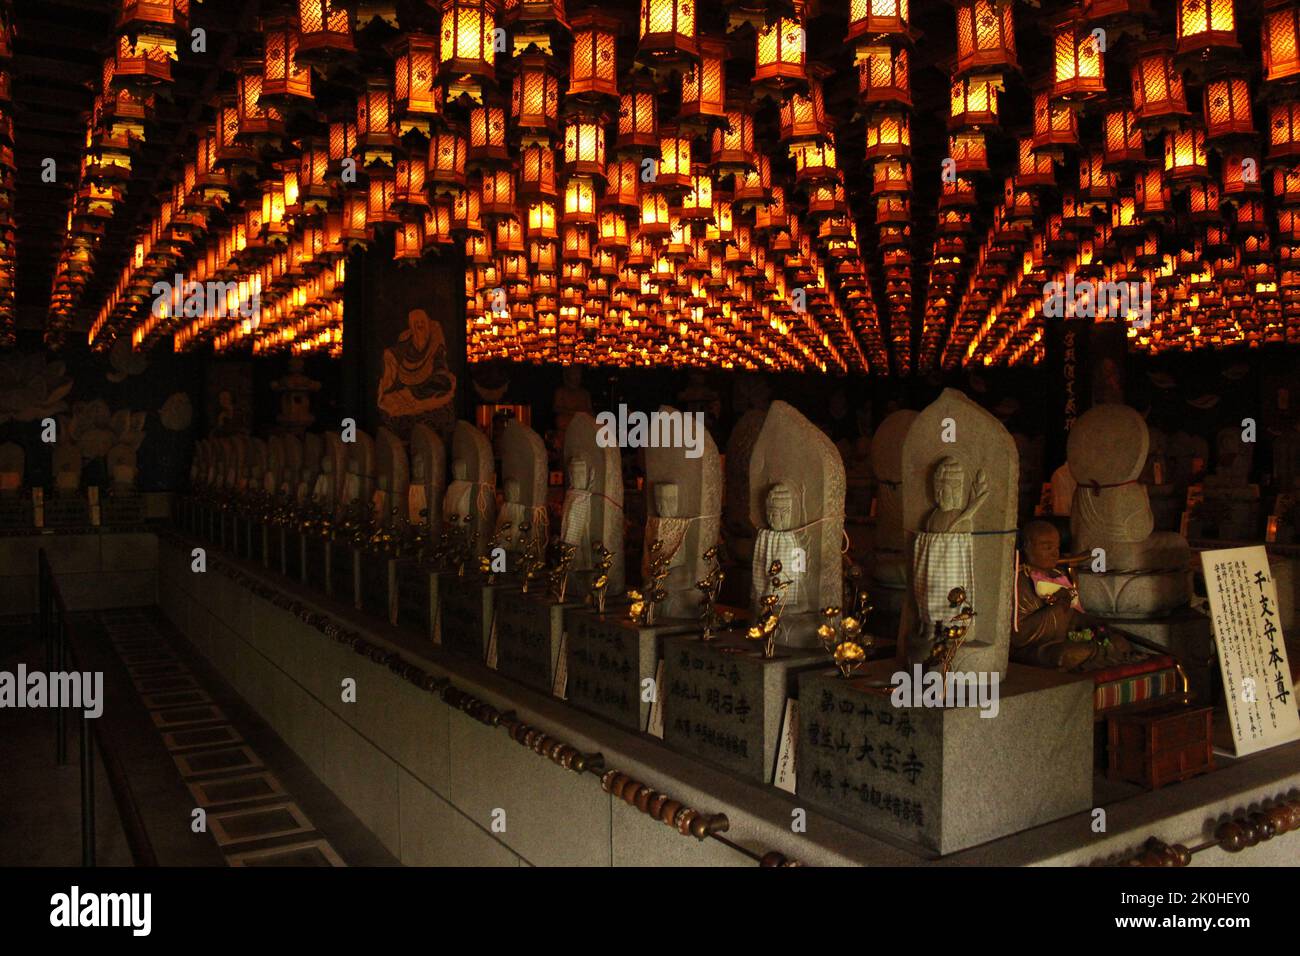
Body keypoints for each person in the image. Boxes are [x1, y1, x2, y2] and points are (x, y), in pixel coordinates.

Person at [1012, 520, 1139, 671]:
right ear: (1027, 547)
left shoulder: (1058, 575)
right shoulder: (1018, 580)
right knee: (1066, 655)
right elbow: (1018, 636)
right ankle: (1103, 655)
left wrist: (1091, 622)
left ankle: (1102, 652)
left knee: (1119, 642)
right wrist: (1058, 607)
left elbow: (1074, 616)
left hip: (1067, 638)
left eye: (1057, 547)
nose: (1055, 553)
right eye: (1047, 547)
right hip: (1038, 647)